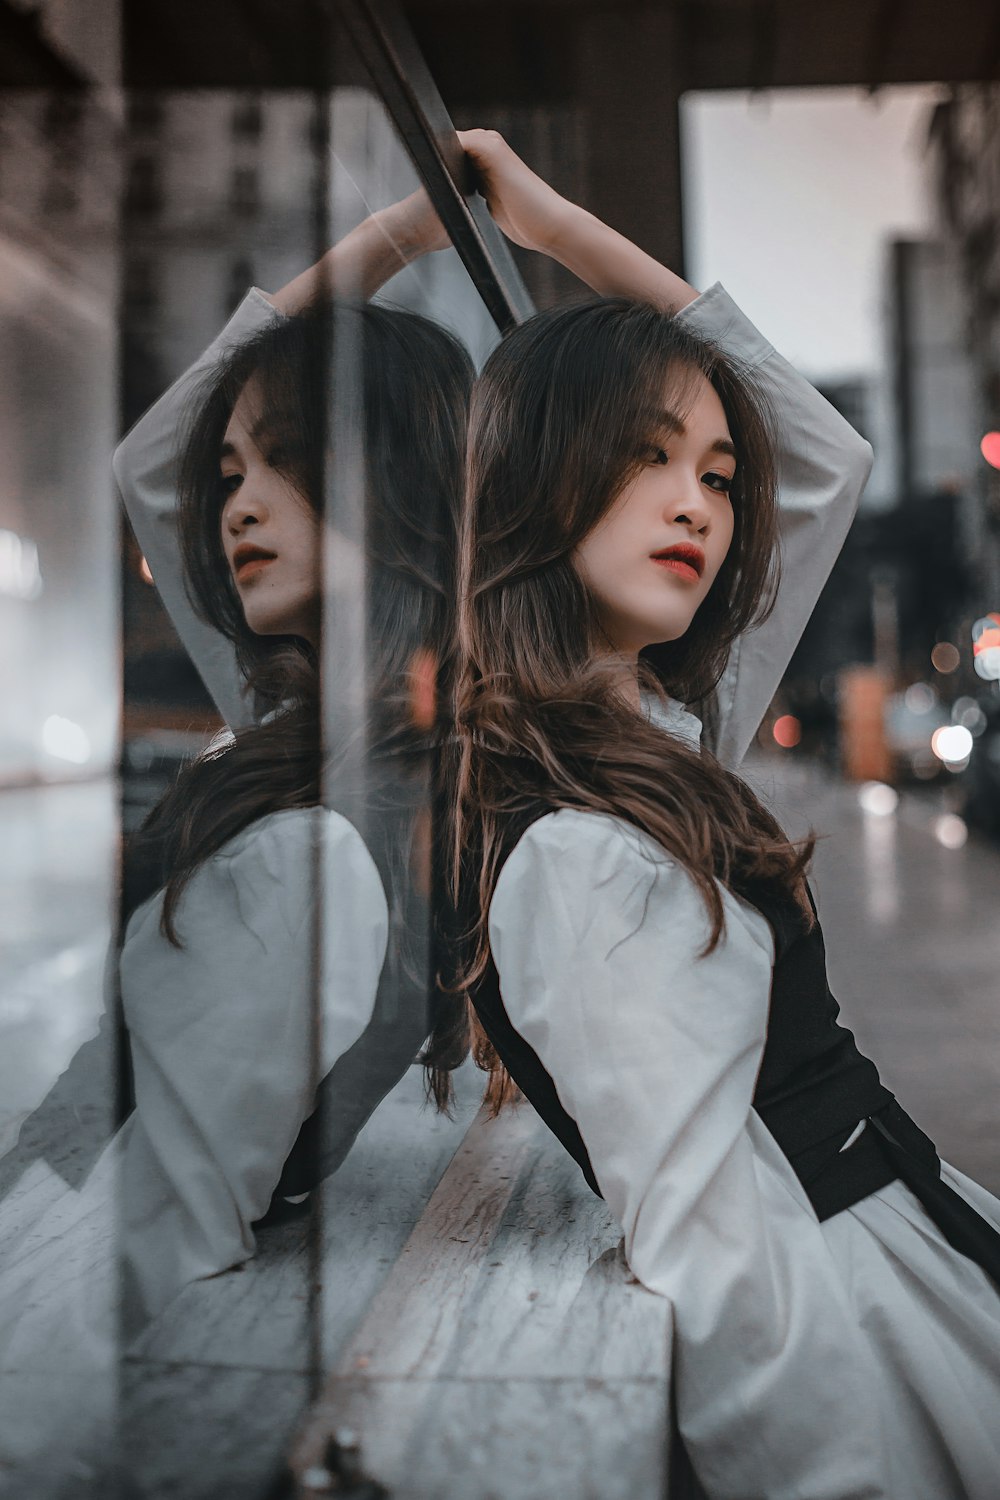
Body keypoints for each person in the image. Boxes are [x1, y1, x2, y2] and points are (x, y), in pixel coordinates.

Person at [433, 130, 1000, 1500]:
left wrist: (561, 228)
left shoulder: (665, 729)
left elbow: (810, 455)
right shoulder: (579, 851)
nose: (700, 501)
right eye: (648, 457)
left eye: (713, 476)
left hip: (896, 1241)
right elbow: (717, 1261)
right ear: (538, 482)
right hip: (848, 1305)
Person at [0, 191, 468, 1333]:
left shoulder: (315, 842)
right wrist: (397, 236)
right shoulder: (321, 740)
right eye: (232, 474)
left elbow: (141, 1212)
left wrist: (407, 237)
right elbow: (165, 464)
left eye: (288, 460)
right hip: (56, 1197)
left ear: (397, 482)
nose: (234, 505)